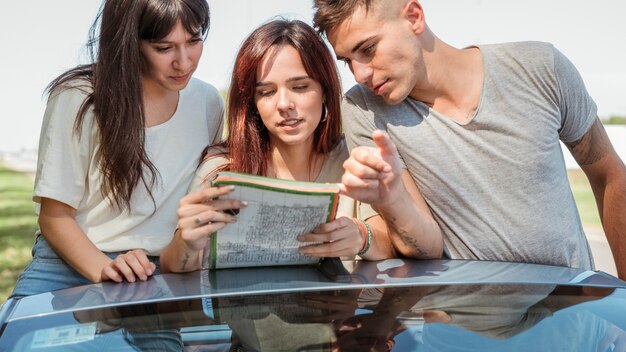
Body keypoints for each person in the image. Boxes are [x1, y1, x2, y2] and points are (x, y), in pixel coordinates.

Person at [312, 0, 626, 279]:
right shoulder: (363, 109)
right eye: (347, 60)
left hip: (574, 330)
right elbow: (425, 248)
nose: (359, 74)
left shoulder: (541, 66)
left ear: (414, 16)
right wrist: (391, 198)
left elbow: (609, 174)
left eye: (367, 50)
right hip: (459, 337)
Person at [160, 18, 441, 274]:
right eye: (267, 92)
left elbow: (389, 238)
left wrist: (361, 236)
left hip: (340, 322)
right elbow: (174, 265)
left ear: (325, 91)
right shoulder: (221, 168)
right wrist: (187, 240)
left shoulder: (352, 157)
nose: (284, 105)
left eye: (300, 87)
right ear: (252, 104)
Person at [10, 0, 223, 299]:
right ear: (129, 41)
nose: (184, 62)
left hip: (151, 276)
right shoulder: (79, 97)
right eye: (163, 48)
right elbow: (54, 217)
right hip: (66, 267)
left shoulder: (208, 102)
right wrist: (105, 269)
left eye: (194, 41)